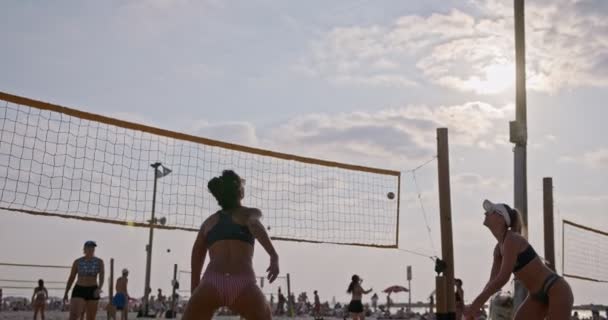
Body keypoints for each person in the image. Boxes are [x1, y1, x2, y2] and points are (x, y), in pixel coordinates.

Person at [182, 170, 280, 320]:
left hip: (212, 281)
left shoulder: (208, 223)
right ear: (240, 191)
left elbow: (197, 253)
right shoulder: (249, 213)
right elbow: (254, 225)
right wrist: (273, 255)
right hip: (243, 281)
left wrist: (196, 290)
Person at [464, 200, 573, 320]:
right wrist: (475, 306)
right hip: (536, 296)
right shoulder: (498, 250)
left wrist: (475, 306)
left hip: (555, 288)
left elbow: (502, 279)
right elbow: (492, 281)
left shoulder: (511, 239)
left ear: (501, 218)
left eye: (490, 211)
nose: (485, 213)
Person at [63, 241, 105, 320]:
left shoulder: (99, 262)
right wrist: (66, 292)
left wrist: (99, 289)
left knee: (91, 318)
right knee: (73, 316)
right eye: (89, 247)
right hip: (79, 289)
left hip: (93, 290)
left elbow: (102, 277)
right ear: (84, 249)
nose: (91, 249)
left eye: (92, 247)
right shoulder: (77, 262)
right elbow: (71, 277)